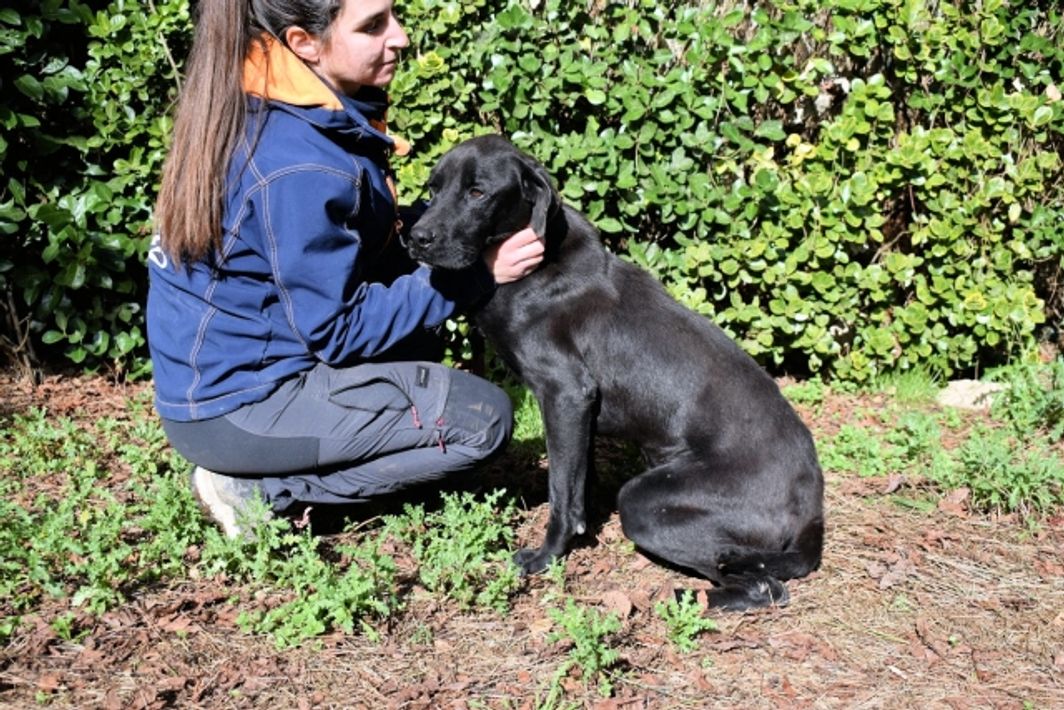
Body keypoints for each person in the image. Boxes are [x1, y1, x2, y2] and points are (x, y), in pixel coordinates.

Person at [147, 0, 544, 538]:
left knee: (418, 345)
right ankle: (260, 491)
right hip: (239, 406)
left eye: (393, 15)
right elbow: (338, 330)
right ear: (303, 43)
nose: (400, 37)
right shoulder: (298, 164)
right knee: (482, 421)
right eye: (373, 26)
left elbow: (356, 236)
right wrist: (478, 275)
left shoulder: (282, 107)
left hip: (216, 389)